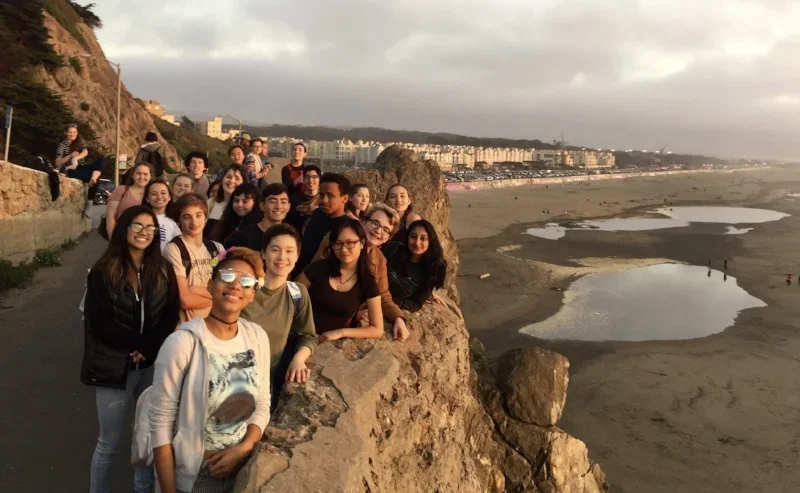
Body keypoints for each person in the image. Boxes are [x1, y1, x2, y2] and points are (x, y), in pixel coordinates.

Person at [150, 247, 271, 493]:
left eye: (246, 281)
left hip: (244, 467)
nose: (236, 285)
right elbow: (160, 425)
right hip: (198, 475)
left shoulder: (257, 337)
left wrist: (244, 448)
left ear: (251, 295)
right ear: (210, 284)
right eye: (227, 276)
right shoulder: (183, 343)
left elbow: (263, 403)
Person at [81, 206, 180, 493]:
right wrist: (136, 346)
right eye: (137, 226)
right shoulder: (104, 270)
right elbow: (98, 322)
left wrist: (148, 348)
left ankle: (143, 489)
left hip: (150, 366)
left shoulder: (163, 269)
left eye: (150, 228)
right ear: (125, 228)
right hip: (114, 366)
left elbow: (171, 313)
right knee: (108, 444)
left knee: (148, 437)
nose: (143, 233)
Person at [241, 224, 315, 410]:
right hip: (228, 380)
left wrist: (299, 359)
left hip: (264, 388)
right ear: (263, 253)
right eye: (275, 250)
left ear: (297, 256)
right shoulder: (244, 287)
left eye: (289, 251)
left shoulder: (297, 293)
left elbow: (308, 335)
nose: (282, 257)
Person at [313, 203, 408, 340]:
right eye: (375, 223)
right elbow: (313, 276)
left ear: (388, 238)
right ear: (364, 221)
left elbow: (383, 295)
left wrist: (398, 318)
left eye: (386, 230)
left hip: (349, 326)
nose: (378, 231)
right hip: (319, 315)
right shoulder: (337, 241)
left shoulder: (379, 260)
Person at [297, 218, 383, 340]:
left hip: (331, 344)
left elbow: (377, 329)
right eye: (338, 243)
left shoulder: (367, 281)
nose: (343, 249)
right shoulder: (317, 269)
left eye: (350, 243)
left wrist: (341, 333)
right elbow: (291, 302)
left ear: (362, 243)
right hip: (302, 335)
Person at [164, 194, 224, 323]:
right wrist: (218, 300)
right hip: (186, 327)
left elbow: (226, 289)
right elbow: (184, 300)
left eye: (198, 215)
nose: (194, 222)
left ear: (206, 218)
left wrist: (194, 290)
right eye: (187, 217)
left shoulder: (217, 248)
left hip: (215, 325)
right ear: (178, 221)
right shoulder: (175, 249)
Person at [383, 219, 448, 312]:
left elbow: (416, 304)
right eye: (413, 237)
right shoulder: (393, 250)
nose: (417, 243)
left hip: (387, 306)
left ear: (430, 241)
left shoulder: (432, 269)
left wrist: (388, 302)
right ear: (407, 237)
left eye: (423, 238)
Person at [293, 173, 350, 278]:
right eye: (322, 195)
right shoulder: (317, 214)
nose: (324, 200)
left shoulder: (347, 227)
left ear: (345, 198)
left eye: (331, 196)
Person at [54, 123, 105, 216]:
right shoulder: (62, 145)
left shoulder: (79, 142)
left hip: (81, 166)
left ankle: (94, 178)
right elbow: (57, 162)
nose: (72, 134)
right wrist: (70, 156)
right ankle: (90, 202)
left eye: (74, 132)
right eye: (70, 132)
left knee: (102, 160)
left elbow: (85, 152)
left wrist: (76, 158)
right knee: (95, 177)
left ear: (77, 133)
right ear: (65, 133)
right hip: (70, 169)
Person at [224, 183, 289, 251]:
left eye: (283, 202)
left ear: (288, 207)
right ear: (262, 206)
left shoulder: (291, 236)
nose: (278, 207)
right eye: (272, 202)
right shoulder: (243, 236)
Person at [106, 162, 154, 237]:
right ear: (133, 175)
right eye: (138, 173)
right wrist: (113, 239)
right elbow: (110, 217)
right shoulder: (121, 190)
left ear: (150, 176)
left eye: (145, 174)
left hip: (145, 237)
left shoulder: (152, 194)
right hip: (123, 236)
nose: (141, 177)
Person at [205, 164, 245, 238]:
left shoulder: (245, 207)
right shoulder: (211, 203)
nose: (231, 181)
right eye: (228, 177)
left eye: (237, 179)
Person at [143, 179, 181, 251]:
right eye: (154, 194)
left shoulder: (175, 220)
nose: (159, 197)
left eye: (163, 193)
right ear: (147, 199)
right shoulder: (141, 218)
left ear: (169, 197)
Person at [285, 164, 320, 235]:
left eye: (314, 177)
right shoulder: (294, 200)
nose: (310, 180)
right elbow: (289, 223)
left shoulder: (323, 200)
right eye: (307, 177)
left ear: (319, 179)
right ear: (303, 180)